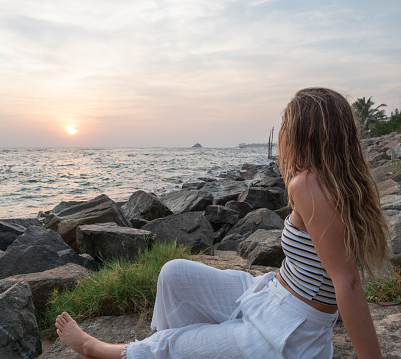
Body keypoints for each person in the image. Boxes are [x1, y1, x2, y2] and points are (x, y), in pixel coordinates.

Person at [55, 87, 391, 358]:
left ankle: (104, 349)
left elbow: (347, 283)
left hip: (289, 330)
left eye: (287, 125)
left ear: (303, 133)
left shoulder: (308, 185)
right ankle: (192, 344)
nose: (282, 134)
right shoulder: (340, 182)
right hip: (271, 293)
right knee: (174, 274)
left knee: (175, 346)